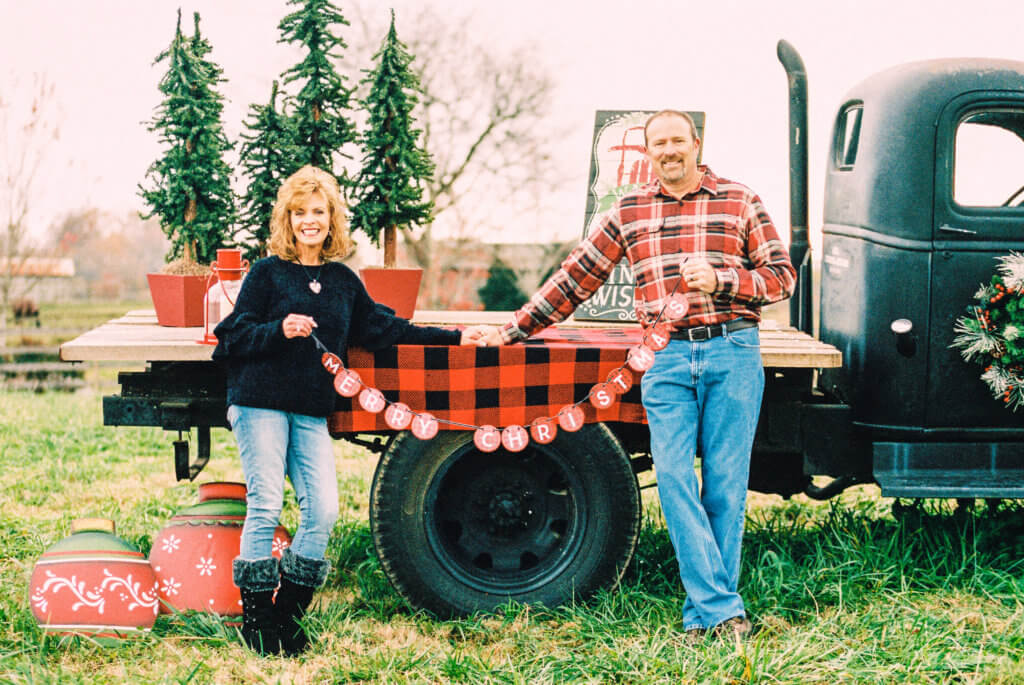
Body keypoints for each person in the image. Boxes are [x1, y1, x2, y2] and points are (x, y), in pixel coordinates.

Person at [480, 110, 795, 638]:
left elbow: (781, 276)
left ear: (696, 143)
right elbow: (576, 277)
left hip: (732, 352)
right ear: (648, 153)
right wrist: (515, 330)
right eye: (658, 144)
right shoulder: (629, 209)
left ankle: (706, 616)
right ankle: (722, 610)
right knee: (673, 479)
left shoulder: (740, 200)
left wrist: (722, 280)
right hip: (664, 355)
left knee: (725, 487)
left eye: (677, 140)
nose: (668, 151)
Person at [213, 165, 490, 656]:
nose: (309, 221)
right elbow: (230, 337)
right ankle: (257, 622)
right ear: (287, 219)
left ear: (332, 219)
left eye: (318, 212)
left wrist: (454, 336)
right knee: (266, 504)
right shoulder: (266, 274)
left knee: (323, 511)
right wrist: (280, 328)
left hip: (311, 410)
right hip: (259, 403)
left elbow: (387, 330)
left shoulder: (343, 281)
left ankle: (287, 614)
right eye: (300, 213)